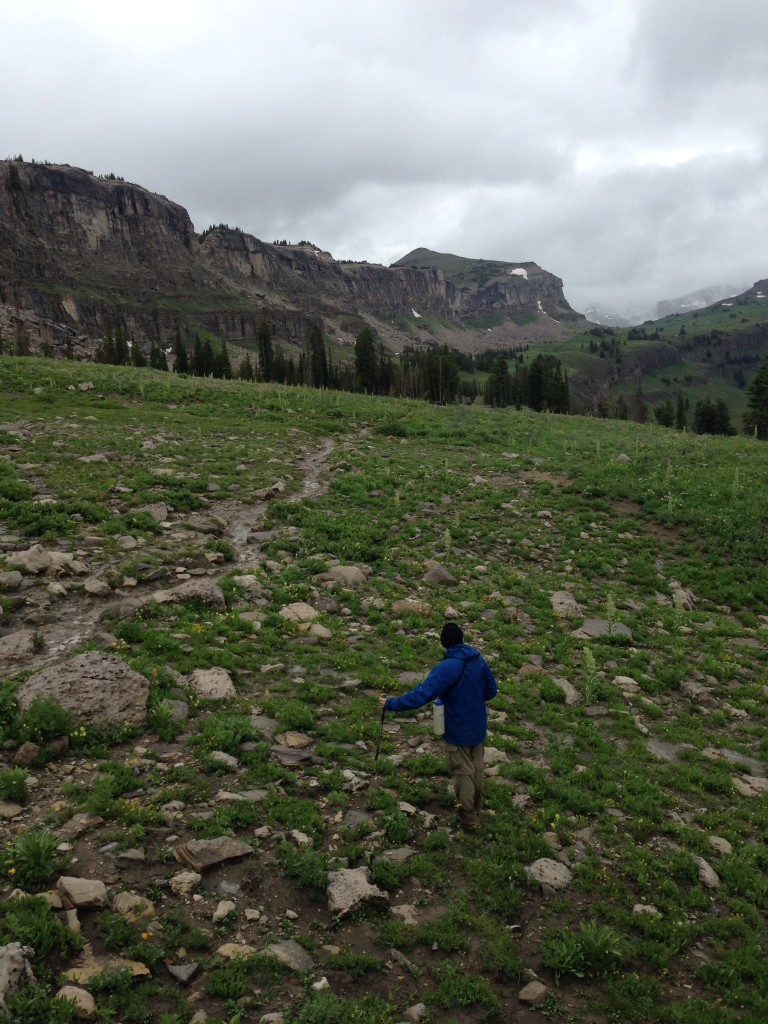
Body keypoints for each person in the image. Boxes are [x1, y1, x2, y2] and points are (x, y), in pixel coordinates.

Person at [378, 622, 498, 831]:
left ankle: (469, 818)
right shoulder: (478, 660)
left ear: (445, 643)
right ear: (462, 638)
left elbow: (421, 695)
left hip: (457, 729)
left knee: (464, 773)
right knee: (477, 767)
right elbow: (491, 691)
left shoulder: (447, 667)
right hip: (478, 725)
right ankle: (476, 809)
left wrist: (391, 704)